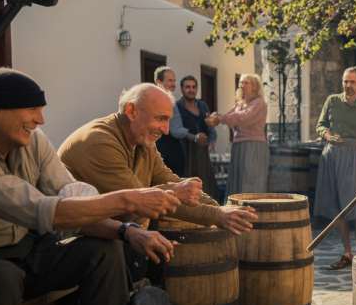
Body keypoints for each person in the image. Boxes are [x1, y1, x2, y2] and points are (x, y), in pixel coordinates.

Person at [0, 68, 180, 305]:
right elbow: (46, 211)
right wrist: (129, 200)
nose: (40, 119)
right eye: (32, 109)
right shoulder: (100, 139)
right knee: (2, 277)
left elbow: (70, 196)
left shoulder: (34, 141)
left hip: (32, 249)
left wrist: (126, 231)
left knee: (105, 250)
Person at [58, 83, 257, 235]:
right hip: (76, 241)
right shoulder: (99, 142)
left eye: (168, 120)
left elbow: (169, 180)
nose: (166, 129)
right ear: (131, 111)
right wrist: (217, 216)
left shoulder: (141, 139)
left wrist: (219, 209)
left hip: (118, 232)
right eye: (160, 118)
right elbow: (140, 200)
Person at [314, 65, 356, 270]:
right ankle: (347, 253)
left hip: (355, 157)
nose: (347, 85)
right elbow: (320, 125)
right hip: (332, 156)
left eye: (351, 81)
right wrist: (327, 135)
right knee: (338, 207)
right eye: (344, 81)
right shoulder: (332, 101)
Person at [205, 73, 268, 196]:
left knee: (250, 181)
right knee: (237, 181)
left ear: (255, 86)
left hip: (253, 146)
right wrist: (216, 117)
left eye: (246, 82)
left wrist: (220, 119)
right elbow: (229, 117)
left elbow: (243, 118)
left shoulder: (259, 103)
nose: (242, 85)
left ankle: (252, 211)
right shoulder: (240, 104)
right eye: (241, 82)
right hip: (239, 145)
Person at [177, 75, 219, 200]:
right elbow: (176, 130)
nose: (191, 90)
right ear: (182, 89)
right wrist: (194, 137)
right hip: (185, 152)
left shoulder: (202, 105)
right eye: (188, 87)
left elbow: (210, 127)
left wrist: (212, 140)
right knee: (188, 183)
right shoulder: (178, 106)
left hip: (202, 152)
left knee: (206, 185)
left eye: (194, 87)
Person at [153, 66, 191, 176]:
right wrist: (193, 136)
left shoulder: (169, 99)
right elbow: (175, 130)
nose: (173, 84)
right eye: (170, 80)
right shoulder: (161, 100)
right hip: (165, 147)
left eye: (174, 80)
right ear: (158, 82)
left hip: (166, 147)